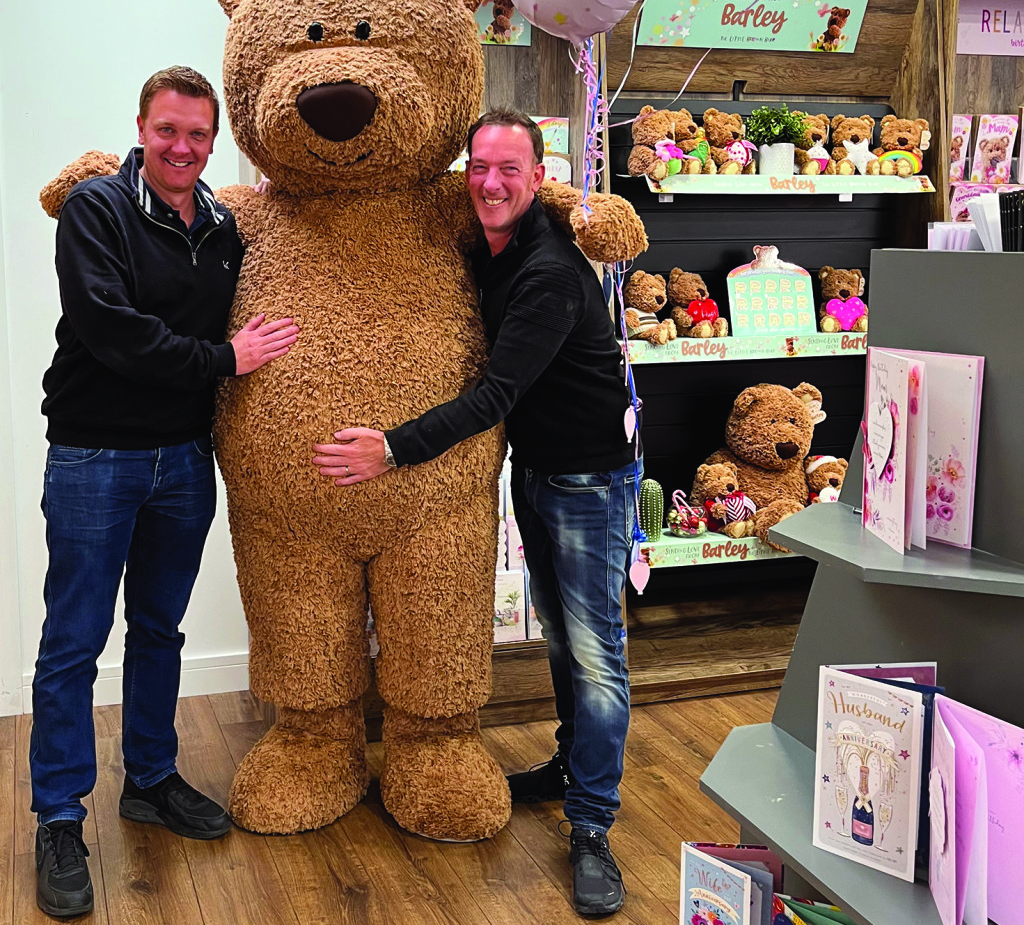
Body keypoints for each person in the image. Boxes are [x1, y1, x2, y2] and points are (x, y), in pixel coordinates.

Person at [312, 108, 639, 917]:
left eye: (510, 170)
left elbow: (495, 394)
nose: (491, 184)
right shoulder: (491, 244)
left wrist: (390, 448)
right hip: (537, 472)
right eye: (480, 167)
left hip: (590, 481)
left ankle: (593, 825)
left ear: (536, 177)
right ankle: (570, 766)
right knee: (562, 638)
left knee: (597, 656)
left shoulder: (549, 273)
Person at [32, 66, 300, 920]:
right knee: (74, 640)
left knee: (159, 630)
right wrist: (225, 361)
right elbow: (113, 332)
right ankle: (60, 816)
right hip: (95, 456)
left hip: (183, 460)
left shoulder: (223, 224)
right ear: (141, 129)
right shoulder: (96, 211)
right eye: (167, 131)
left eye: (196, 135)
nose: (182, 148)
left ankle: (149, 777)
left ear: (212, 141)